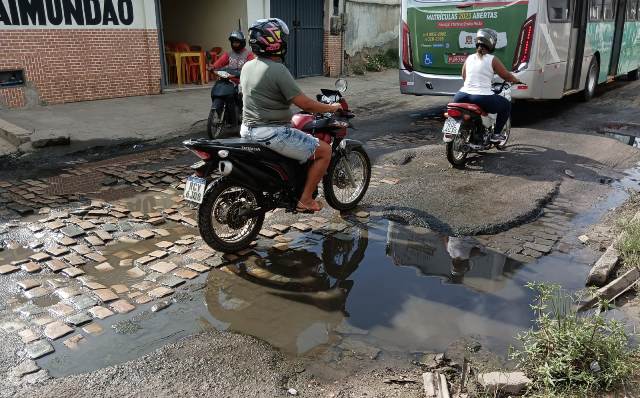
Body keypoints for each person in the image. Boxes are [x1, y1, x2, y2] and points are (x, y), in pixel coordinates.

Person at [240, 18, 342, 213]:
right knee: (324, 152)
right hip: (272, 133)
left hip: (247, 130)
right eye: (280, 37)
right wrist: (330, 108)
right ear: (273, 41)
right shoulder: (278, 70)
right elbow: (303, 103)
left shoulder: (247, 66)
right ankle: (305, 200)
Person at [453, 28, 521, 142]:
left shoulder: (469, 58)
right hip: (482, 97)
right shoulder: (492, 59)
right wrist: (516, 80)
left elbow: (464, 76)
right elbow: (506, 76)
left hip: (461, 95)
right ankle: (496, 134)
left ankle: (476, 131)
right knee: (506, 106)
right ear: (491, 44)